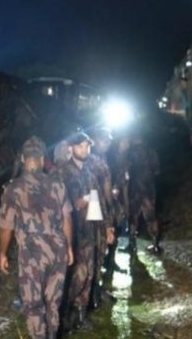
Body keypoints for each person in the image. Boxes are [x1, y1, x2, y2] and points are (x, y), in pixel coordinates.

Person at [0, 136, 73, 339]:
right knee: (53, 303)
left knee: (33, 305)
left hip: (32, 254)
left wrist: (2, 253)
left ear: (23, 158)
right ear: (42, 159)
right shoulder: (58, 184)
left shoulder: (13, 188)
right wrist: (69, 247)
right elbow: (67, 218)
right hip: (58, 251)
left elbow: (6, 226)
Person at [57, 131, 115, 331]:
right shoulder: (62, 173)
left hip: (90, 231)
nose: (84, 150)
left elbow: (99, 202)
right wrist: (79, 202)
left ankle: (80, 315)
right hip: (71, 233)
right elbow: (58, 205)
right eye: (80, 146)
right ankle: (64, 314)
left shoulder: (89, 172)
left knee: (89, 273)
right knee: (77, 274)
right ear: (71, 148)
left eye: (87, 146)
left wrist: (107, 227)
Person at [86, 126, 117, 306]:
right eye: (104, 140)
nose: (108, 143)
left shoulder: (101, 159)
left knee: (97, 253)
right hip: (92, 212)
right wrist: (108, 222)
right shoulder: (95, 162)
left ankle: (94, 290)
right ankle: (90, 295)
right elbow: (103, 194)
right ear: (95, 141)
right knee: (93, 253)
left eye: (109, 140)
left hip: (94, 210)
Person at [128, 133, 162, 253]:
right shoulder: (152, 152)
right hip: (149, 188)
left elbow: (126, 171)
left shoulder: (130, 153)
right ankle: (155, 244)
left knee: (133, 217)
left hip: (135, 189)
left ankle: (132, 244)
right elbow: (157, 170)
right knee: (151, 217)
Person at [108, 135, 132, 251]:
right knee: (111, 223)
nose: (127, 144)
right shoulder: (111, 158)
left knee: (118, 224)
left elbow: (126, 181)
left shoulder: (127, 159)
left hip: (122, 194)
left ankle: (112, 255)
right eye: (124, 141)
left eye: (128, 142)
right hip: (111, 194)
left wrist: (126, 203)